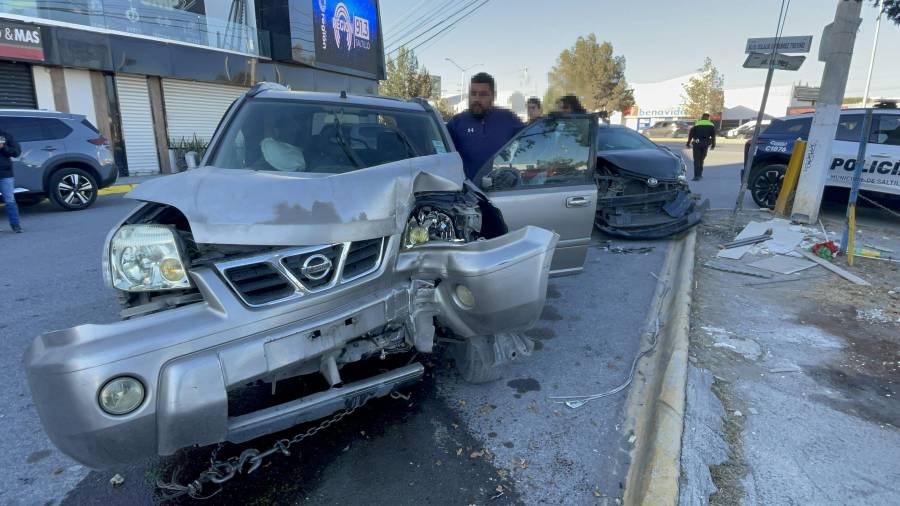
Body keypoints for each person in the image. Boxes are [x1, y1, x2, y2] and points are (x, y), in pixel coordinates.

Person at [447, 72, 525, 179]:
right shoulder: (456, 123)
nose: (476, 99)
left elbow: (532, 140)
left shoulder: (508, 118)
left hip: (502, 186)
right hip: (468, 188)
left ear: (493, 96)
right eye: (473, 93)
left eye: (483, 94)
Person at [0, 127, 22, 233]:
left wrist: (3, 147)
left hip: (5, 174)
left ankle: (15, 225)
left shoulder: (5, 136)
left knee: (9, 200)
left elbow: (16, 152)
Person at [686, 113, 716, 181]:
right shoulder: (711, 125)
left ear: (702, 117)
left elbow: (691, 134)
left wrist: (688, 143)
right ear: (708, 118)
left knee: (696, 160)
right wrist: (713, 145)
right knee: (701, 159)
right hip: (705, 143)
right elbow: (713, 136)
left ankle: (696, 176)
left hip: (697, 142)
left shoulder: (697, 123)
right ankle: (700, 174)